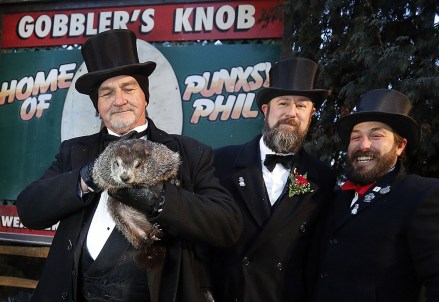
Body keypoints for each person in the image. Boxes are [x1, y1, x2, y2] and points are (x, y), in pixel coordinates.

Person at [16, 29, 242, 302]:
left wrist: (160, 200)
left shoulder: (190, 153)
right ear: (97, 106)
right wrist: (86, 178)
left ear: (145, 96)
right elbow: (30, 209)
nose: (119, 100)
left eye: (128, 88)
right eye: (106, 93)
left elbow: (227, 225)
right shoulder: (74, 152)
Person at [210, 57, 336, 302]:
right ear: (266, 110)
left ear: (311, 114)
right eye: (283, 103)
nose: (291, 113)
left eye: (301, 106)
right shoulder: (220, 163)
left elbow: (316, 257)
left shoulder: (323, 178)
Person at [310, 89, 439, 301]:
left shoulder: (421, 194)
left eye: (376, 135)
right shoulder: (334, 199)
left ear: (400, 146)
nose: (363, 145)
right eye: (355, 137)